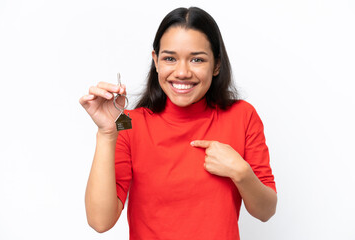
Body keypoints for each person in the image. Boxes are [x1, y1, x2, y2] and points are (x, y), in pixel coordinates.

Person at [79, 6, 277, 240]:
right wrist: (106, 133)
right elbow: (100, 222)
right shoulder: (129, 124)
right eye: (170, 58)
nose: (182, 72)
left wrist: (240, 171)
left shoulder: (242, 116)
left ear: (216, 65)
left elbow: (265, 211)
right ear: (156, 60)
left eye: (197, 59)